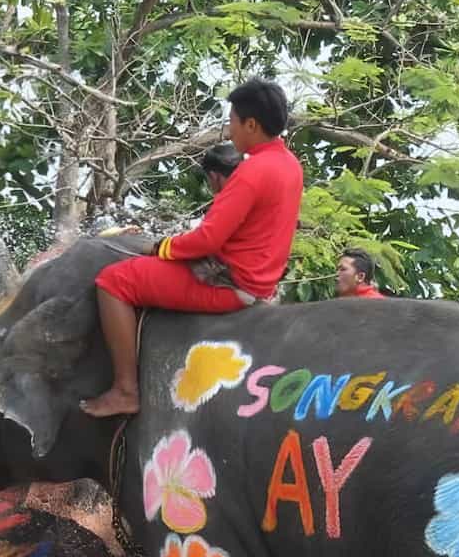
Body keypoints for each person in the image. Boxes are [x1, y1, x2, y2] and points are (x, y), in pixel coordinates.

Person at [82, 78, 304, 417]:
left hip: (229, 284)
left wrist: (162, 247)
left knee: (113, 281)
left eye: (232, 121)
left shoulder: (252, 171)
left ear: (251, 124)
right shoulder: (290, 165)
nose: (229, 131)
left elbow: (207, 240)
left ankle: (126, 390)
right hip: (261, 283)